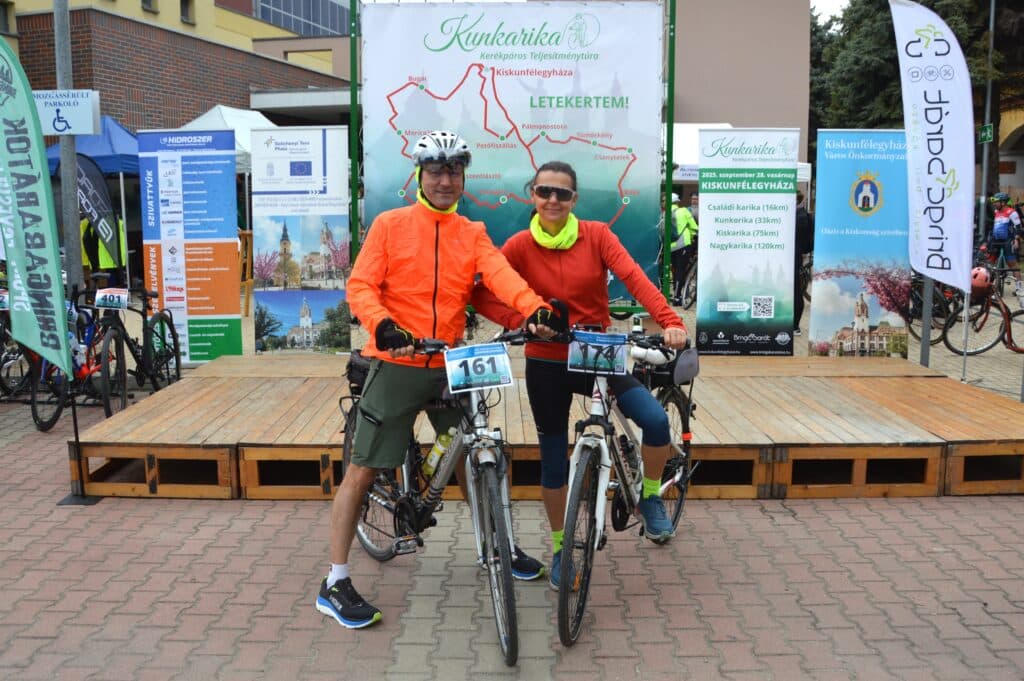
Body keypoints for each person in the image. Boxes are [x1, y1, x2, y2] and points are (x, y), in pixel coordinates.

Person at [315, 131, 563, 630]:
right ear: (420, 176)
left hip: (450, 364)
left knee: (473, 452)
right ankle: (335, 581)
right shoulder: (390, 225)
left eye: (453, 171)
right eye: (436, 171)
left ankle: (497, 544)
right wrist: (383, 326)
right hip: (398, 362)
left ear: (463, 178)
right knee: (362, 470)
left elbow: (502, 277)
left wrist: (535, 307)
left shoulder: (472, 232)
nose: (445, 180)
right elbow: (361, 285)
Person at [471, 160, 689, 590]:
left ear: (574, 199)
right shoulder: (518, 245)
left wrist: (669, 320)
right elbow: (480, 293)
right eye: (544, 191)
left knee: (655, 421)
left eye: (562, 193)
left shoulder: (597, 235)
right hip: (545, 361)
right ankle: (560, 548)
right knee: (553, 462)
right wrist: (522, 320)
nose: (553, 199)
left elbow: (634, 278)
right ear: (532, 194)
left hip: (597, 354)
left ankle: (648, 495)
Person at [987, 192, 1023, 296]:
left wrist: (1016, 239)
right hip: (996, 240)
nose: (994, 204)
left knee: (1012, 264)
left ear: (1003, 202)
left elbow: (1019, 227)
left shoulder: (1012, 212)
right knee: (990, 263)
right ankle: (989, 286)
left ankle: (1020, 288)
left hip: (1008, 240)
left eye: (996, 202)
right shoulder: (996, 212)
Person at [670, 192, 699, 306]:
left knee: (674, 270)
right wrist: (693, 234)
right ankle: (677, 297)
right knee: (681, 270)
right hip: (683, 244)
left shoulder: (665, 213)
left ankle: (675, 292)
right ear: (678, 202)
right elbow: (694, 227)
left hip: (670, 247)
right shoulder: (684, 211)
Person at [793, 191, 814, 335]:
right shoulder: (806, 216)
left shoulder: (797, 216)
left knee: (793, 292)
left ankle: (793, 326)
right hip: (797, 258)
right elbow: (809, 245)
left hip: (789, 258)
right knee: (796, 292)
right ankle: (795, 326)